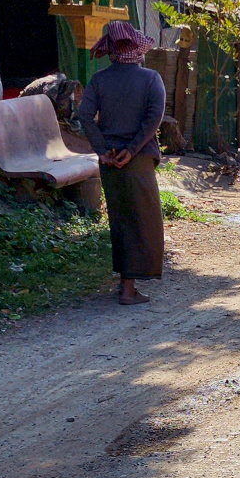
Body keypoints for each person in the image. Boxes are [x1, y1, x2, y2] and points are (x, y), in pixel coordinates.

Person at [75, 21, 167, 305]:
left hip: (110, 162)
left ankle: (125, 285)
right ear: (136, 49)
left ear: (112, 51)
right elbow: (154, 119)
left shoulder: (99, 81)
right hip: (137, 160)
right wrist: (131, 150)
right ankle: (129, 290)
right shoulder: (152, 79)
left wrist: (103, 150)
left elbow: (85, 115)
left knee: (122, 221)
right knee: (145, 222)